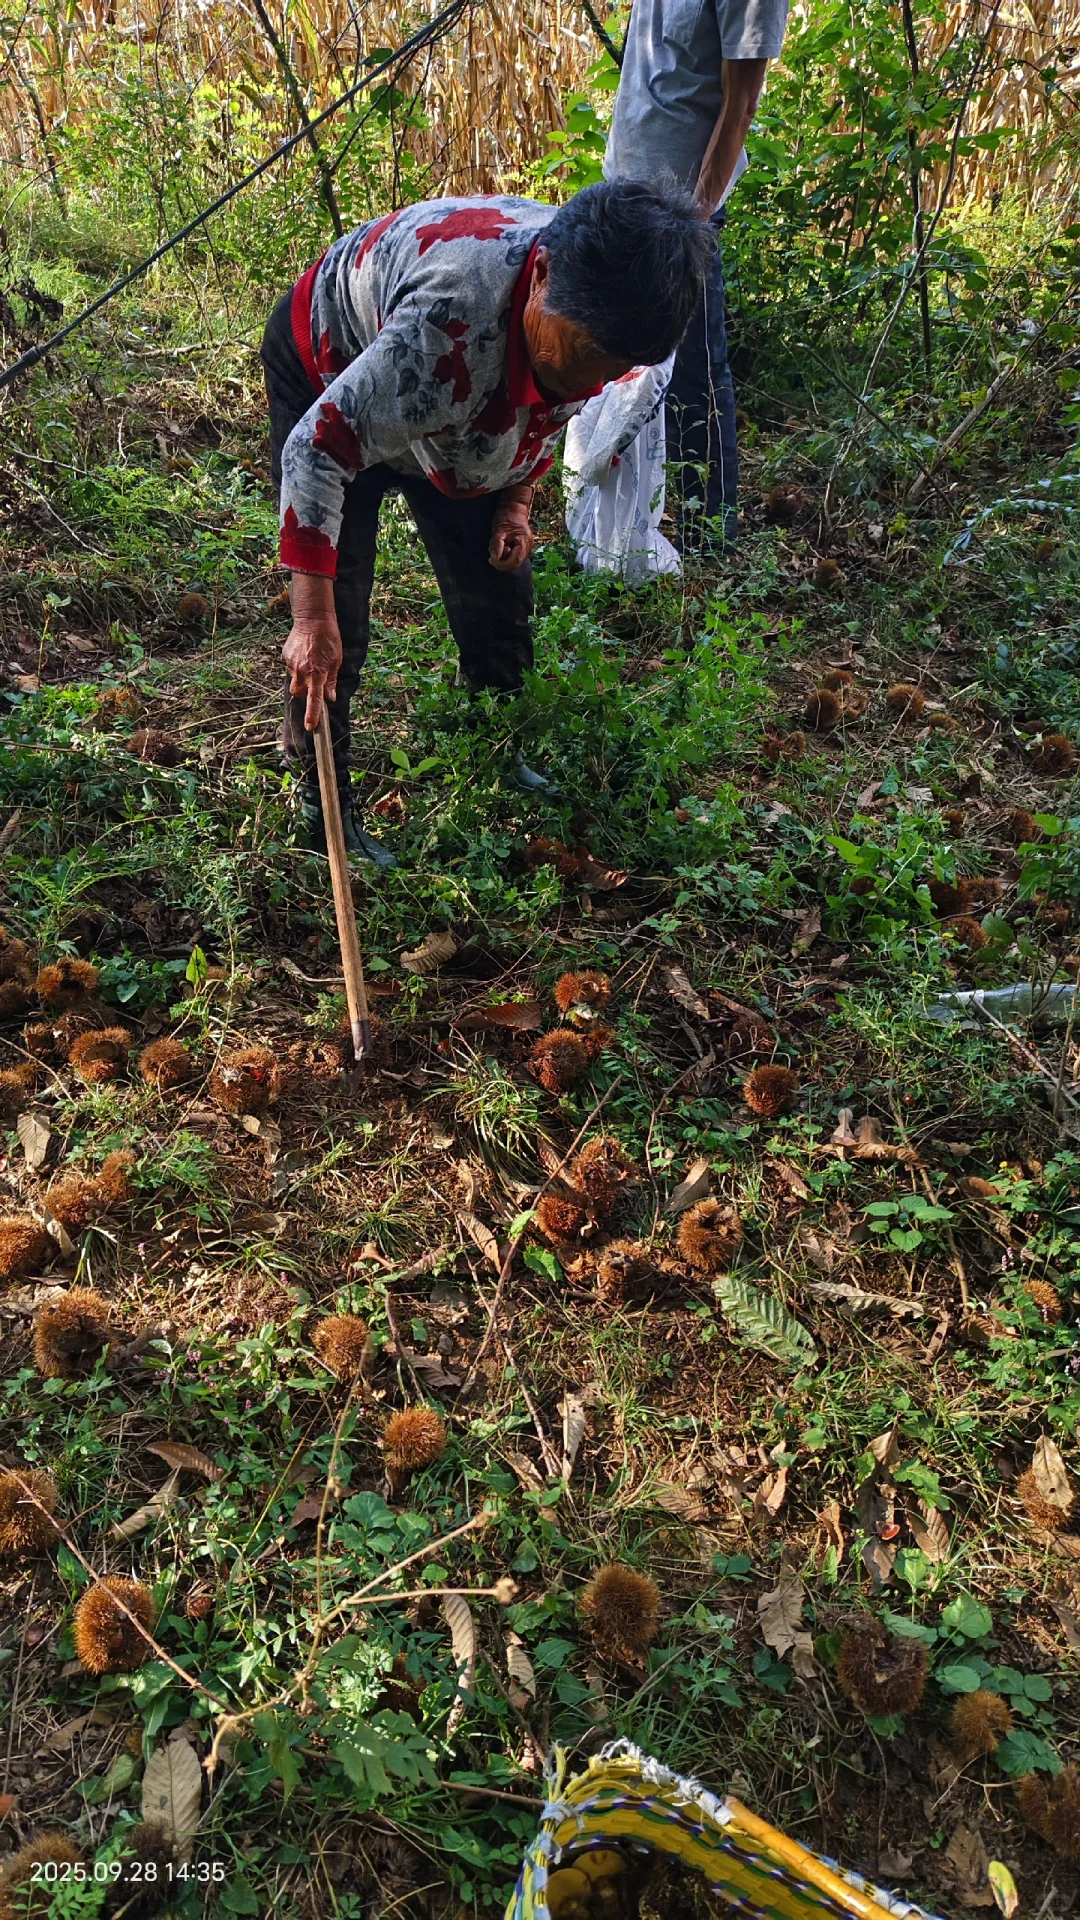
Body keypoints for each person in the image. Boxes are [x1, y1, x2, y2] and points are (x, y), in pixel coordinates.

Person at [262, 182, 712, 863]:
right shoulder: (447, 326)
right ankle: (321, 803)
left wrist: (516, 499)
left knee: (500, 588)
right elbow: (317, 448)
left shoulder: (607, 321)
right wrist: (308, 619)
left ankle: (496, 744)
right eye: (584, 356)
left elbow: (550, 404)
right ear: (539, 277)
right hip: (336, 369)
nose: (590, 382)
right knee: (335, 628)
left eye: (612, 369)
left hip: (464, 393)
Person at [605, 0, 790, 552]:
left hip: (682, 214)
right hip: (626, 194)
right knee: (626, 365)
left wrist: (694, 221)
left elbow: (741, 106)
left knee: (695, 374)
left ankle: (708, 541)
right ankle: (629, 529)